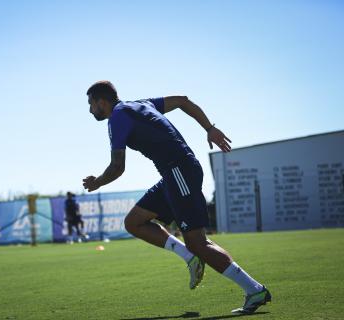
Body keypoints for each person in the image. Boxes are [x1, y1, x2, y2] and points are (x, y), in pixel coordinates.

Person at [82, 81, 271, 314]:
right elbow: (182, 100)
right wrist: (209, 128)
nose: (90, 110)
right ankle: (189, 257)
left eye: (91, 104)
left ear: (102, 101)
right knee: (134, 222)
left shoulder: (117, 118)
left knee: (198, 242)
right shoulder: (141, 105)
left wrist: (97, 182)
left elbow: (117, 167)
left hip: (179, 171)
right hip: (174, 173)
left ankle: (254, 290)